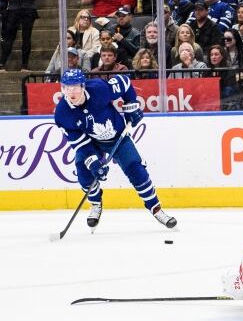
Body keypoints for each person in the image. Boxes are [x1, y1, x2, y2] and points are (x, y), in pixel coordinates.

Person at [54, 69, 177, 230]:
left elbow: (125, 82)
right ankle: (96, 204)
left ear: (83, 86)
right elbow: (80, 144)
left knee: (136, 169)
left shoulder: (99, 89)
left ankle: (156, 208)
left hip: (118, 137)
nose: (71, 92)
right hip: (91, 142)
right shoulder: (62, 114)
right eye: (66, 87)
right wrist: (93, 163)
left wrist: (131, 108)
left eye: (75, 87)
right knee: (84, 171)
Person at [0, 0, 40, 72]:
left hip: (14, 9)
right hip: (28, 9)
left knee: (9, 38)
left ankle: (2, 64)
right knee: (26, 38)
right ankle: (24, 66)